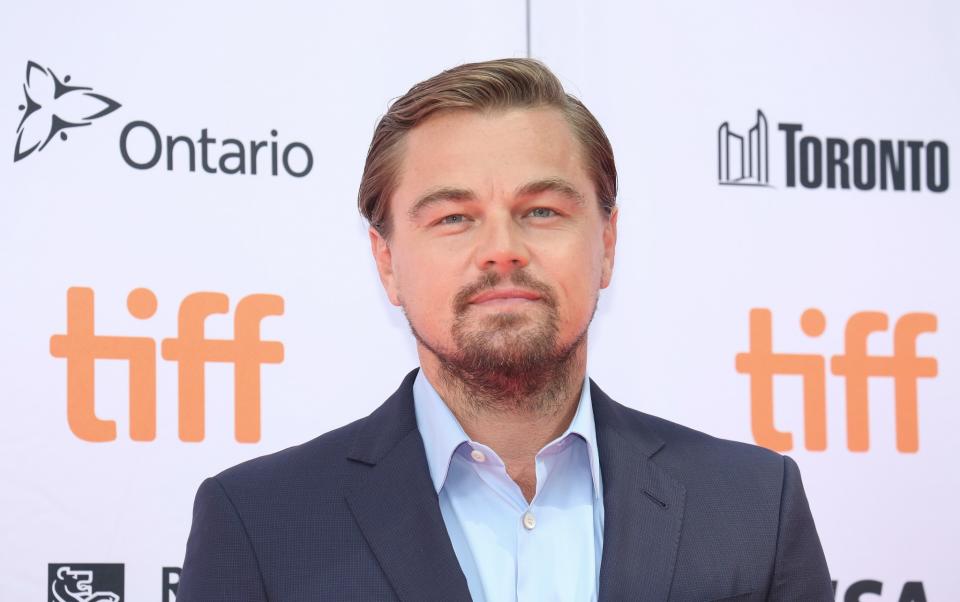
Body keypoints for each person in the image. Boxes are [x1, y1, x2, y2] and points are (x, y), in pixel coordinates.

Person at [177, 58, 832, 601]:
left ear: (606, 243)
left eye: (541, 210)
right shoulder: (260, 521)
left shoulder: (751, 508)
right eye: (454, 218)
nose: (502, 249)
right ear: (387, 262)